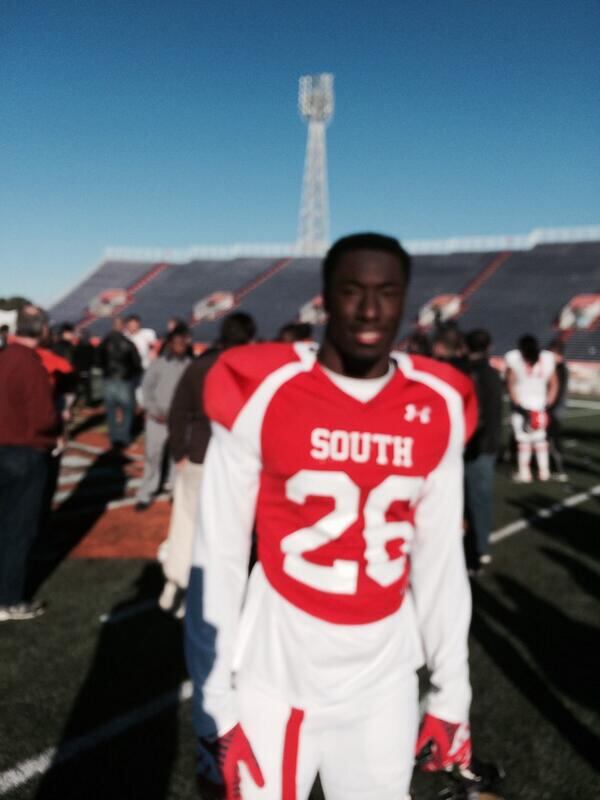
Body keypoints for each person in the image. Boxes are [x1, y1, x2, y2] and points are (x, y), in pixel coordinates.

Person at [186, 233, 477, 799]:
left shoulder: (437, 404)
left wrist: (452, 694)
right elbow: (216, 557)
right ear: (324, 298)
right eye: (352, 291)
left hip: (384, 679)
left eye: (387, 292)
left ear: (406, 300)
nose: (370, 310)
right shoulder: (265, 392)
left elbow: (440, 562)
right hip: (278, 674)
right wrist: (214, 702)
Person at [159, 312, 257, 616]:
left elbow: (177, 413)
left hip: (201, 457)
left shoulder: (199, 367)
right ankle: (209, 594)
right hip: (237, 463)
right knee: (228, 532)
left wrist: (179, 453)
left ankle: (175, 584)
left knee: (186, 524)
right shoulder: (253, 370)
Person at [0, 305, 58, 621]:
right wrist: (60, 421)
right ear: (40, 329)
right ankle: (9, 599)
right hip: (23, 453)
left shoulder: (5, 357)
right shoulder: (30, 365)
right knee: (18, 530)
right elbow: (43, 419)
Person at [135, 326, 192, 511]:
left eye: (183, 342)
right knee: (153, 456)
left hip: (180, 422)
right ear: (169, 344)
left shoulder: (190, 365)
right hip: (157, 420)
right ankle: (147, 492)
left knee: (178, 459)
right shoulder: (158, 364)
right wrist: (152, 410)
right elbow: (147, 388)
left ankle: (175, 490)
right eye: (176, 342)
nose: (180, 346)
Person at [463, 329, 503, 572]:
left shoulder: (469, 374)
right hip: (488, 444)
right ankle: (482, 546)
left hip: (474, 445)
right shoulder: (493, 374)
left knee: (470, 500)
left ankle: (476, 548)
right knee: (481, 500)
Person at [505, 335, 558, 483]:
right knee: (540, 440)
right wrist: (548, 403)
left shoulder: (515, 359)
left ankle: (525, 473)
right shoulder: (546, 359)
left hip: (523, 405)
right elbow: (554, 384)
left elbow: (511, 383)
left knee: (524, 442)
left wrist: (518, 405)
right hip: (540, 405)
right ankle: (544, 472)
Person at [97, 317, 142, 449]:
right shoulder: (128, 343)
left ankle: (114, 438)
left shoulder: (104, 342)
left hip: (109, 379)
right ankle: (124, 437)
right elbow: (136, 363)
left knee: (111, 410)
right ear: (123, 327)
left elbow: (98, 360)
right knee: (127, 410)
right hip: (124, 380)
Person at [547, 339, 569, 481]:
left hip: (555, 408)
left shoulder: (559, 368)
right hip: (554, 407)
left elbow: (558, 391)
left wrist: (549, 406)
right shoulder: (557, 367)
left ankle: (560, 469)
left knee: (554, 439)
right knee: (549, 438)